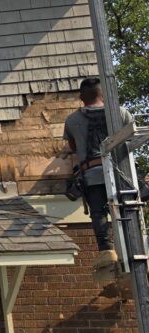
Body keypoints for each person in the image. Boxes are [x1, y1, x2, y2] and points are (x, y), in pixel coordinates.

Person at [63, 78, 135, 278]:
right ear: (102, 94)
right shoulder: (119, 113)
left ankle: (106, 252)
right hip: (122, 174)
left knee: (98, 213)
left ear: (81, 97)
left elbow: (73, 147)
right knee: (127, 209)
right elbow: (131, 137)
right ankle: (132, 245)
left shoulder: (72, 120)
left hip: (92, 174)